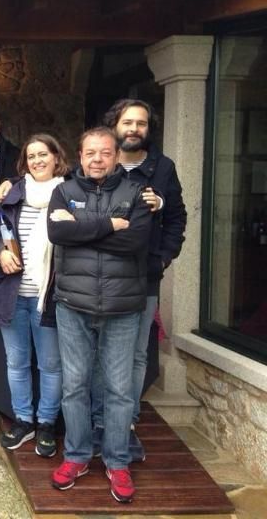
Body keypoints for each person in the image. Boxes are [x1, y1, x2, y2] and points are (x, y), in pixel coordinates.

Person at [47, 126, 152, 504]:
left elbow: (136, 240)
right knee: (74, 386)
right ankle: (76, 456)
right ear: (80, 154)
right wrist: (109, 225)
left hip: (122, 307)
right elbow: (57, 234)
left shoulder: (135, 192)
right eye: (90, 152)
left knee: (119, 390)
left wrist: (81, 229)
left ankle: (117, 461)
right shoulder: (64, 192)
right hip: (73, 304)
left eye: (105, 153)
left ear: (116, 155)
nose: (97, 159)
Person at [90, 99, 187, 461]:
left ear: (149, 128)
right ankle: (100, 421)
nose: (134, 129)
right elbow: (63, 187)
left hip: (144, 275)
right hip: (100, 276)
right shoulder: (100, 160)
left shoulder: (163, 168)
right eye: (127, 122)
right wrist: (11, 184)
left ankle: (125, 423)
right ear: (114, 125)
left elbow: (177, 218)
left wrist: (164, 256)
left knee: (135, 354)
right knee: (100, 351)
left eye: (141, 123)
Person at [0, 134, 69, 459]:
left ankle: (46, 423)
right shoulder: (13, 193)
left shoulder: (69, 193)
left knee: (50, 365)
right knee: (17, 362)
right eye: (31, 156)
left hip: (50, 297)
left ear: (56, 157)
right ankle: (23, 420)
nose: (37, 161)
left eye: (43, 154)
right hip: (13, 294)